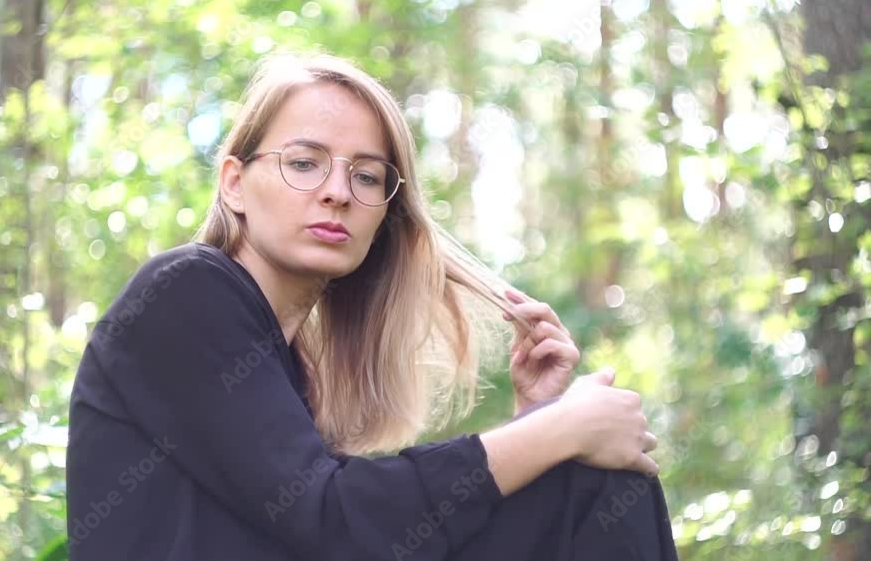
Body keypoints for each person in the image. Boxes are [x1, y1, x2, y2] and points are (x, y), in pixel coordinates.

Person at [66, 51, 680, 561]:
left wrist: (536, 420)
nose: (337, 192)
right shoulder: (185, 290)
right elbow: (332, 520)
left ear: (385, 211)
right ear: (234, 183)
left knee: (586, 482)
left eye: (366, 176)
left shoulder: (286, 365)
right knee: (586, 477)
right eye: (304, 163)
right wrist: (557, 429)